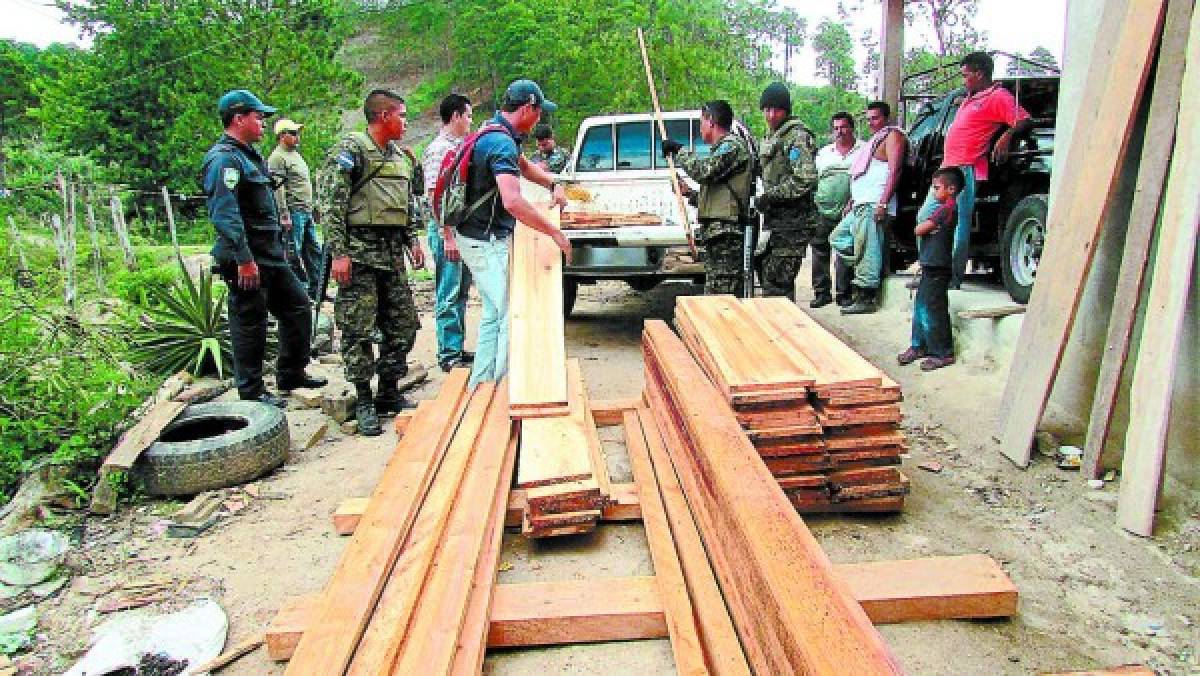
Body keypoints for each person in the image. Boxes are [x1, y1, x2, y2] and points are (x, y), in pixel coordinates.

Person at [201, 89, 325, 408]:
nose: (262, 123)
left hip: (269, 254)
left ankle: (291, 373)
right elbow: (224, 213)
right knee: (250, 322)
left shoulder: (249, 155)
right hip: (246, 257)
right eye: (258, 117)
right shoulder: (223, 160)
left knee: (298, 307)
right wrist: (243, 259)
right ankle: (252, 391)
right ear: (238, 119)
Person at [316, 89, 426, 436]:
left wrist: (412, 240)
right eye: (402, 116)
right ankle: (363, 400)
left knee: (403, 325)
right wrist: (338, 253)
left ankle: (389, 390)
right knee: (357, 329)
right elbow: (332, 204)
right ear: (383, 116)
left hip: (392, 255)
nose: (406, 123)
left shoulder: (400, 157)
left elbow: (405, 202)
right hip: (359, 254)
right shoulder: (350, 151)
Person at [455, 79, 571, 387]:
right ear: (528, 108)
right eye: (539, 112)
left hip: (480, 235)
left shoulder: (500, 132)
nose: (540, 120)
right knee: (511, 312)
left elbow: (526, 168)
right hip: (482, 240)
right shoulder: (500, 143)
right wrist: (554, 233)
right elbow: (513, 200)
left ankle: (481, 383)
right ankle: (508, 387)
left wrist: (553, 184)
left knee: (495, 311)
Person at [924, 51, 1033, 288]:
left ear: (979, 74)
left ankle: (951, 277)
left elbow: (1024, 119)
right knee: (926, 218)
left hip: (965, 169)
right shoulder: (972, 96)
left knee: (958, 223)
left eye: (966, 75)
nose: (963, 80)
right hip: (946, 168)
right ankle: (931, 271)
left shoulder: (998, 97)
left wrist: (1007, 135)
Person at [662, 100, 754, 297]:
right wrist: (689, 193)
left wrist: (679, 151)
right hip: (717, 235)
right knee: (714, 297)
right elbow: (719, 196)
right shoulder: (722, 150)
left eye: (701, 122)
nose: (700, 127)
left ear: (711, 121)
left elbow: (705, 171)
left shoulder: (732, 146)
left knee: (723, 299)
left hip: (726, 236)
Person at [830, 101, 907, 315]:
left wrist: (883, 202)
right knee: (838, 238)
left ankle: (867, 295)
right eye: (869, 118)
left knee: (868, 247)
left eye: (876, 118)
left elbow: (895, 170)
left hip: (875, 201)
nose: (872, 123)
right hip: (861, 202)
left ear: (886, 118)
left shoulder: (893, 136)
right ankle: (867, 271)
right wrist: (851, 201)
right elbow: (863, 173)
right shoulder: (874, 141)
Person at [421, 94, 475, 372]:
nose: (470, 122)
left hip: (461, 230)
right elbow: (434, 196)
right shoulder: (439, 150)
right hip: (448, 230)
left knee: (461, 291)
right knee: (449, 291)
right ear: (455, 116)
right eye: (467, 116)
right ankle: (448, 354)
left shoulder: (461, 147)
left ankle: (456, 347)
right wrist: (447, 235)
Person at [754, 82, 818, 301]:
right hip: (777, 223)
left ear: (786, 111)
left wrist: (771, 196)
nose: (771, 115)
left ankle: (782, 331)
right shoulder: (772, 136)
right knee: (768, 277)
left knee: (777, 284)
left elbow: (805, 178)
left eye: (777, 110)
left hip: (794, 224)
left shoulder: (796, 137)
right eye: (767, 110)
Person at [899, 167, 962, 371]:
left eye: (937, 188)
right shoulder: (942, 208)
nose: (934, 193)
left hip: (938, 268)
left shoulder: (946, 209)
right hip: (930, 266)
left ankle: (943, 352)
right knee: (920, 308)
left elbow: (919, 229)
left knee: (934, 309)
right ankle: (919, 345)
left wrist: (926, 226)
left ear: (951, 189)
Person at [268, 118, 322, 301]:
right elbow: (278, 188)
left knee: (314, 250)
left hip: (305, 210)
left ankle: (317, 289)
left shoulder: (295, 155)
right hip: (293, 210)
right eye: (293, 133)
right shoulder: (277, 157)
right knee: (293, 252)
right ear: (282, 136)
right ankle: (296, 292)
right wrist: (284, 213)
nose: (297, 136)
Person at [813, 111, 862, 308]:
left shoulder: (863, 150)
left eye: (843, 127)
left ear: (852, 128)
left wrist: (854, 202)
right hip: (822, 209)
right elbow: (814, 179)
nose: (839, 132)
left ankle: (844, 294)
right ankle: (821, 293)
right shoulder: (824, 153)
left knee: (844, 250)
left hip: (849, 211)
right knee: (819, 251)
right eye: (835, 128)